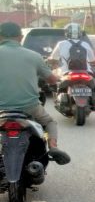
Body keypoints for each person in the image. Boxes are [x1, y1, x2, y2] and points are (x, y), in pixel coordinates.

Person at [0, 22, 70, 164]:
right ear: (20, 37)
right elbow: (51, 79)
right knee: (49, 122)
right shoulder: (34, 56)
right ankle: (53, 147)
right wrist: (56, 78)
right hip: (29, 107)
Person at [49, 23, 95, 110]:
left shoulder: (61, 44)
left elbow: (53, 59)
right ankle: (94, 97)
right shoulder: (85, 44)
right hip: (86, 72)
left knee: (55, 82)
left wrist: (52, 63)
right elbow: (93, 61)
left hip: (66, 72)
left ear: (67, 33)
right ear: (80, 33)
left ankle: (58, 97)